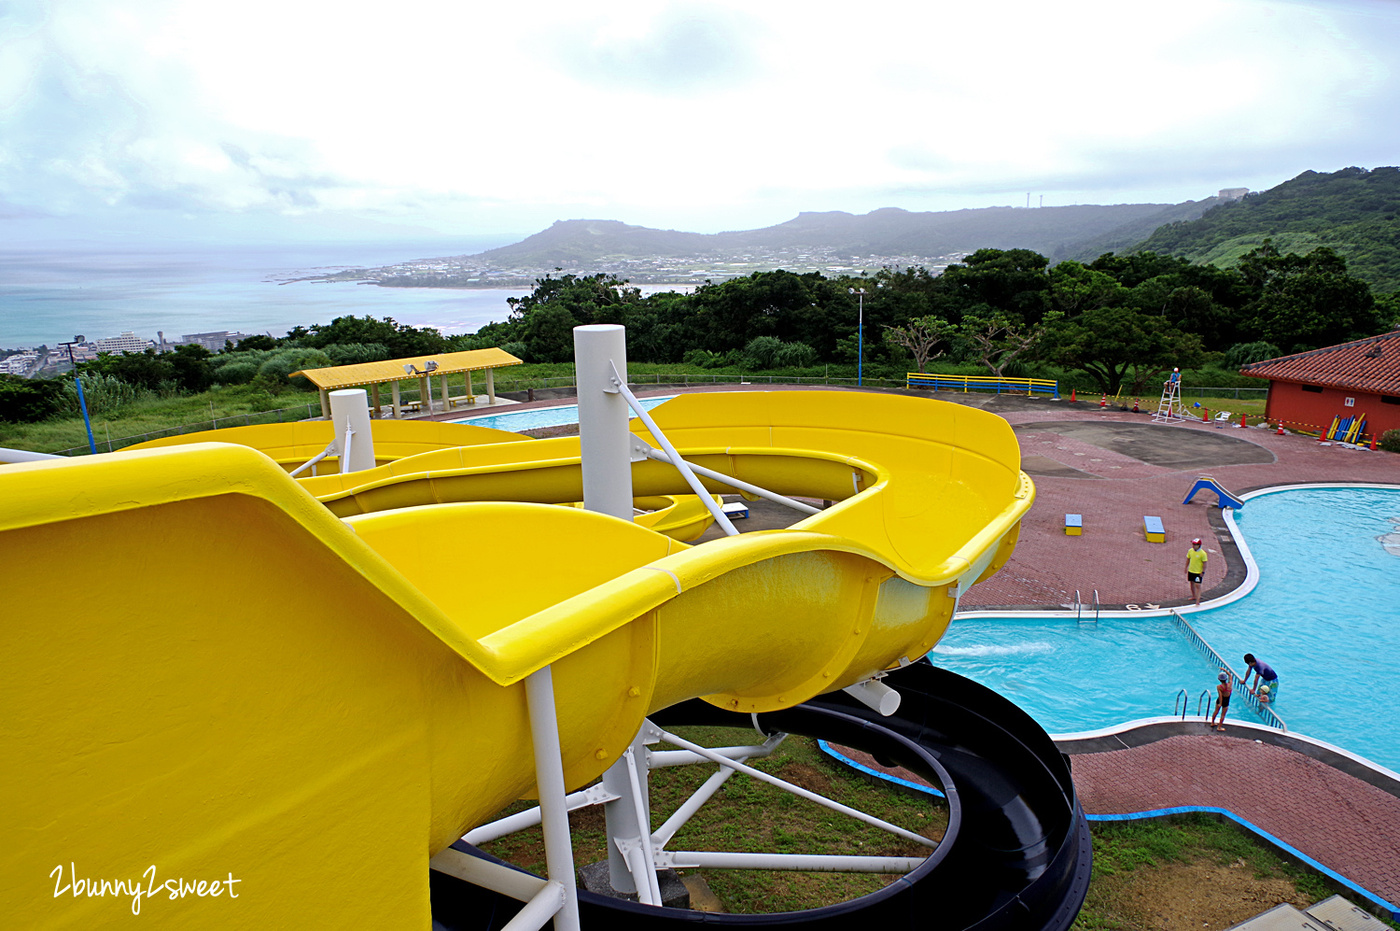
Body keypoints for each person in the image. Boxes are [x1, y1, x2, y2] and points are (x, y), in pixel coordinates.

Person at [1185, 538, 1209, 606]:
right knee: (1191, 584)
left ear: (1199, 545)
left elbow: (1205, 563)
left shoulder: (1203, 553)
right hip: (1191, 571)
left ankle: (1198, 601)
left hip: (1198, 572)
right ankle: (1194, 596)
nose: (1193, 546)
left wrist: (1203, 572)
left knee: (1197, 585)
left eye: (1195, 544)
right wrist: (1186, 568)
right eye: (1193, 544)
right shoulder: (1190, 551)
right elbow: (1188, 559)